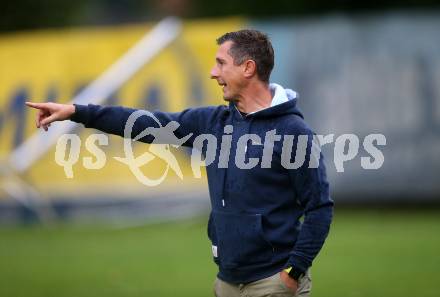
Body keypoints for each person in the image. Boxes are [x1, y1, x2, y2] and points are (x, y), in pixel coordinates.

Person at [26, 29, 333, 297]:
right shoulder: (213, 122)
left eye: (221, 63)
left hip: (273, 284)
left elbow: (319, 207)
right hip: (226, 282)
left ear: (248, 67)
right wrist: (77, 112)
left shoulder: (293, 132)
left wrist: (293, 272)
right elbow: (146, 123)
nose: (213, 72)